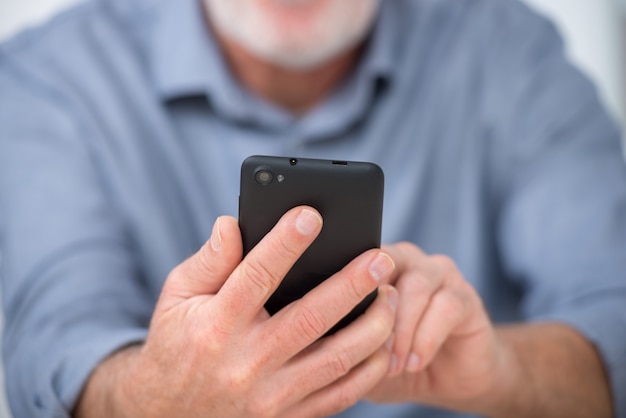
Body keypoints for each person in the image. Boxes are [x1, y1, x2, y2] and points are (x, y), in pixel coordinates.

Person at [0, 0, 624, 417]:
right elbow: (56, 334)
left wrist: (501, 369)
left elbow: (613, 312)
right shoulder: (51, 78)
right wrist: (154, 396)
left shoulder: (509, 50)